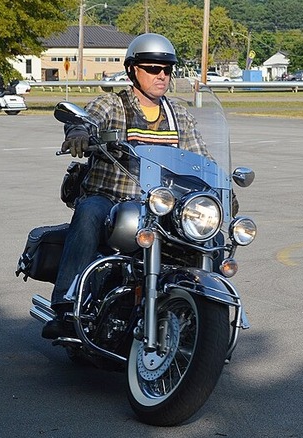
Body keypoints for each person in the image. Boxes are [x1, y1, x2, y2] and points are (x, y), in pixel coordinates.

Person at [42, 33, 211, 339]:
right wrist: (78, 131)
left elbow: (201, 157)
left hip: (161, 205)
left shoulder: (179, 115)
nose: (162, 76)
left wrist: (220, 190)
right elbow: (88, 119)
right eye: (153, 69)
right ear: (133, 70)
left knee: (208, 230)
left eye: (167, 70)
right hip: (111, 197)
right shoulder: (113, 104)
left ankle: (205, 313)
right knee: (89, 212)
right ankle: (66, 305)